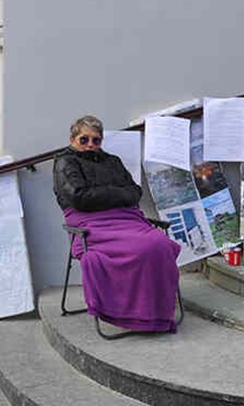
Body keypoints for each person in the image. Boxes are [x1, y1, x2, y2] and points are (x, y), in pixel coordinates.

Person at [53, 115, 181, 333]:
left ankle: (154, 314)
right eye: (84, 140)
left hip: (127, 220)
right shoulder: (66, 162)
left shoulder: (113, 161)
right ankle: (133, 314)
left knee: (160, 244)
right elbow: (79, 197)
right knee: (140, 248)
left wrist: (108, 195)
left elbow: (135, 192)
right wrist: (116, 193)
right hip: (91, 226)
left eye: (96, 140)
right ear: (73, 139)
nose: (91, 145)